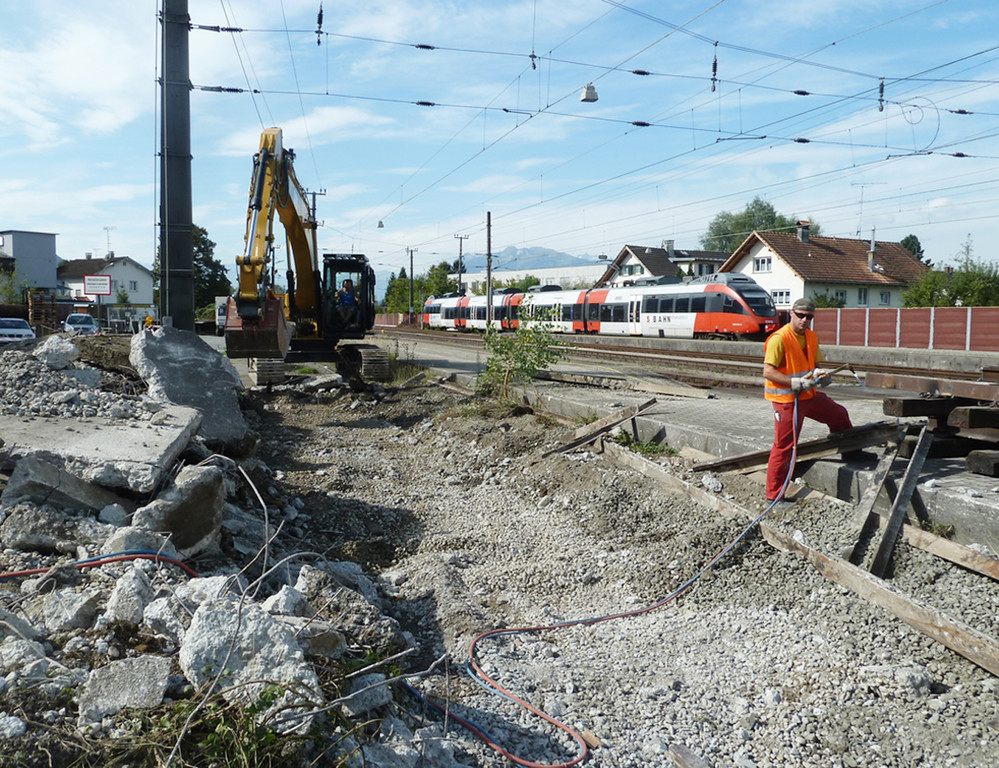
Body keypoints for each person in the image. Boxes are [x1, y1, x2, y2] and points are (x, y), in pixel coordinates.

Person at [762, 297, 854, 503]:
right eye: (801, 315)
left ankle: (851, 452)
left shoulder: (811, 337)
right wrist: (793, 382)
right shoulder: (779, 338)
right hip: (787, 401)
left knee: (839, 415)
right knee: (785, 447)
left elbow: (814, 365)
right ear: (791, 314)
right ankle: (773, 497)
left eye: (809, 317)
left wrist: (821, 375)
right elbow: (768, 371)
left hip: (808, 396)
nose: (804, 320)